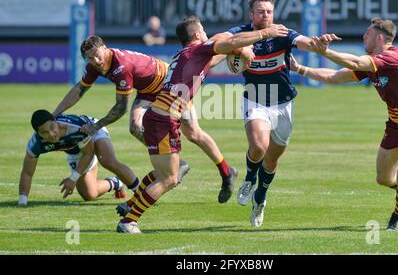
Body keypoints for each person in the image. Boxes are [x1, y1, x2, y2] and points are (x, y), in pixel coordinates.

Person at [116, 15, 289, 233]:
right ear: (197, 35)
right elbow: (229, 41)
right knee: (170, 178)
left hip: (156, 116)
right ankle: (129, 221)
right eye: (204, 31)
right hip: (165, 119)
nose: (206, 34)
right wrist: (264, 33)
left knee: (162, 172)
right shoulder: (198, 50)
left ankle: (131, 205)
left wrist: (237, 51)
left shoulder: (184, 54)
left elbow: (218, 54)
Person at [290, 17, 398, 231]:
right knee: (383, 179)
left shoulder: (394, 56)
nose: (363, 37)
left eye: (367, 33)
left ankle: (396, 219)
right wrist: (300, 69)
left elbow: (355, 62)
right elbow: (334, 76)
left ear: (380, 37)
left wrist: (325, 52)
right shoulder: (372, 63)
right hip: (396, 126)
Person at [53, 36, 236, 204]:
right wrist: (56, 113)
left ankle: (226, 171)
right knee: (135, 127)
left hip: (169, 84)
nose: (96, 61)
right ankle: (176, 164)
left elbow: (120, 108)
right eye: (91, 58)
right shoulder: (95, 66)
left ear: (105, 48)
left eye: (97, 55)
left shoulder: (121, 67)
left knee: (193, 133)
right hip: (148, 90)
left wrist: (97, 126)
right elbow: (79, 89)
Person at [212, 0, 323, 228]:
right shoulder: (241, 33)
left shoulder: (282, 33)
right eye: (261, 11)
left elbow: (303, 41)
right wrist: (245, 43)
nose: (266, 15)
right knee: (259, 146)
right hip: (256, 100)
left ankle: (260, 197)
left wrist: (316, 44)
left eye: (269, 11)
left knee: (271, 161)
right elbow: (218, 41)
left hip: (283, 103)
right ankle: (250, 178)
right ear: (251, 15)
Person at [18, 110, 139, 206]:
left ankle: (142, 195)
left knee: (108, 161)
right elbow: (27, 173)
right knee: (89, 195)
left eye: (52, 127)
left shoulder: (75, 128)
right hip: (77, 149)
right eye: (44, 132)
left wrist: (73, 179)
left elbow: (89, 153)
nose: (51, 134)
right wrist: (22, 202)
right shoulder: (35, 144)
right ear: (38, 134)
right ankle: (116, 183)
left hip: (92, 129)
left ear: (56, 122)